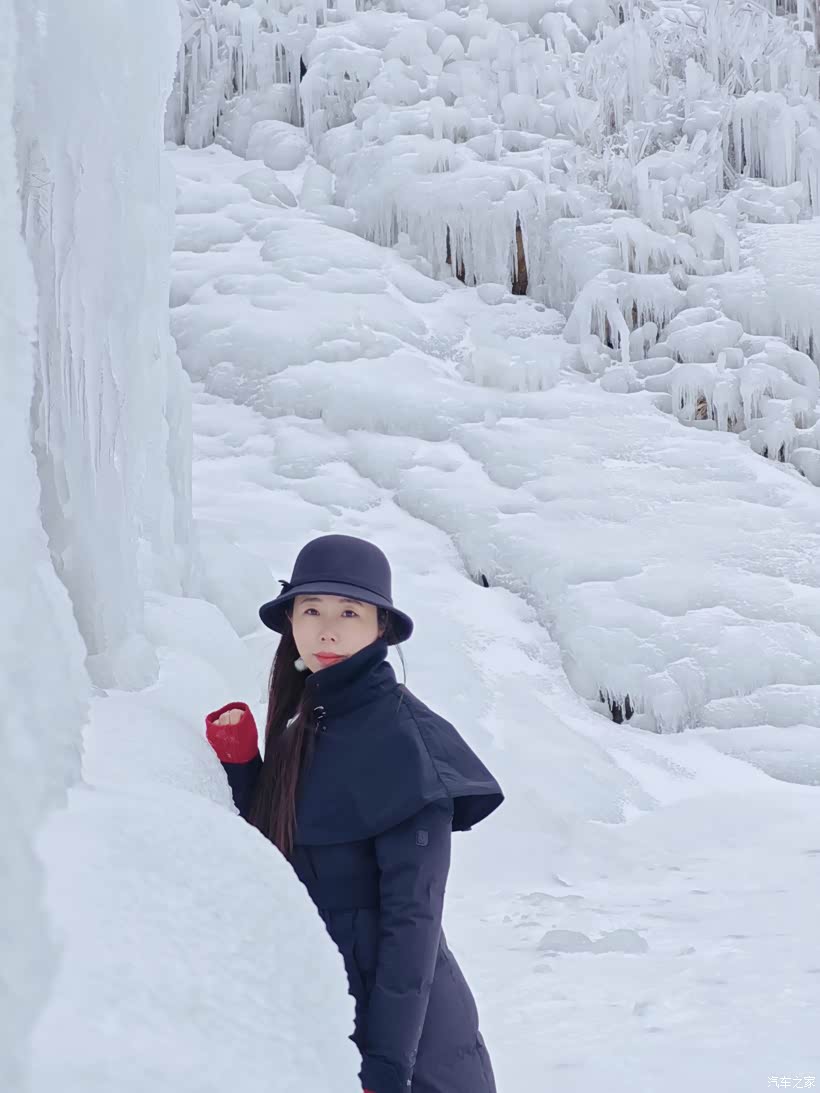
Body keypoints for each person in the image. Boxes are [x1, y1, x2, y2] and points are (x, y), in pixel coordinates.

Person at [205, 533, 504, 1093]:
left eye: (349, 612)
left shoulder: (406, 743)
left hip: (406, 1044)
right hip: (325, 1011)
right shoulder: (306, 720)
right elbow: (286, 860)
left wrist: (384, 1068)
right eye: (311, 610)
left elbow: (412, 923)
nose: (328, 630)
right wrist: (244, 767)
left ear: (380, 626)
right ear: (290, 620)